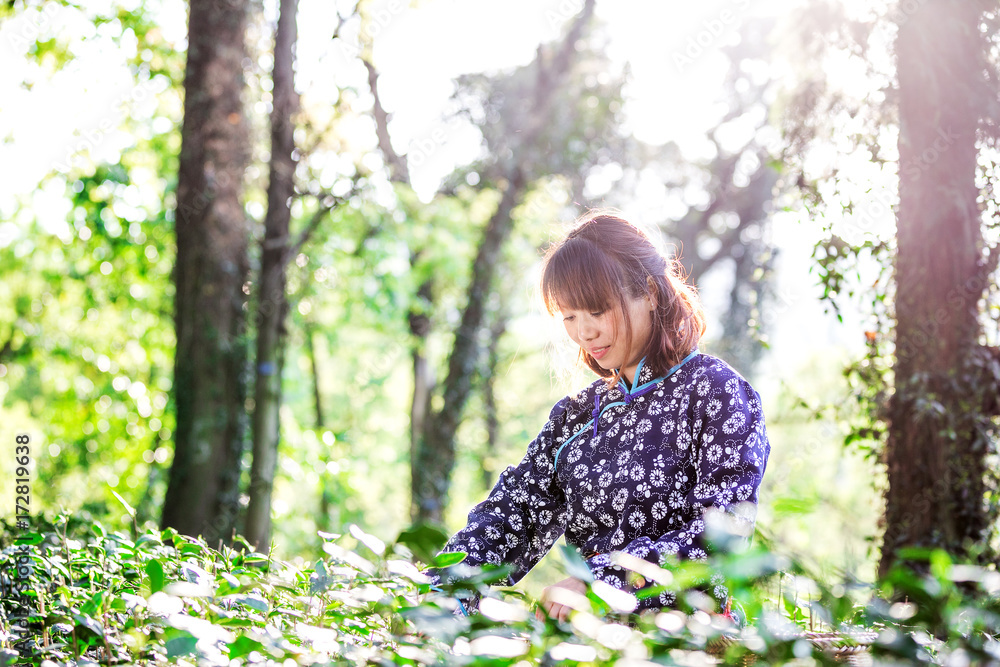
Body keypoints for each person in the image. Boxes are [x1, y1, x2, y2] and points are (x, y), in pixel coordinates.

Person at [432, 211, 770, 621]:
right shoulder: (575, 417)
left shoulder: (715, 393)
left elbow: (724, 538)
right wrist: (442, 588)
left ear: (649, 293)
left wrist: (600, 582)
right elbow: (512, 512)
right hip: (586, 642)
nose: (583, 333)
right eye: (570, 316)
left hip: (691, 643)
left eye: (596, 310)